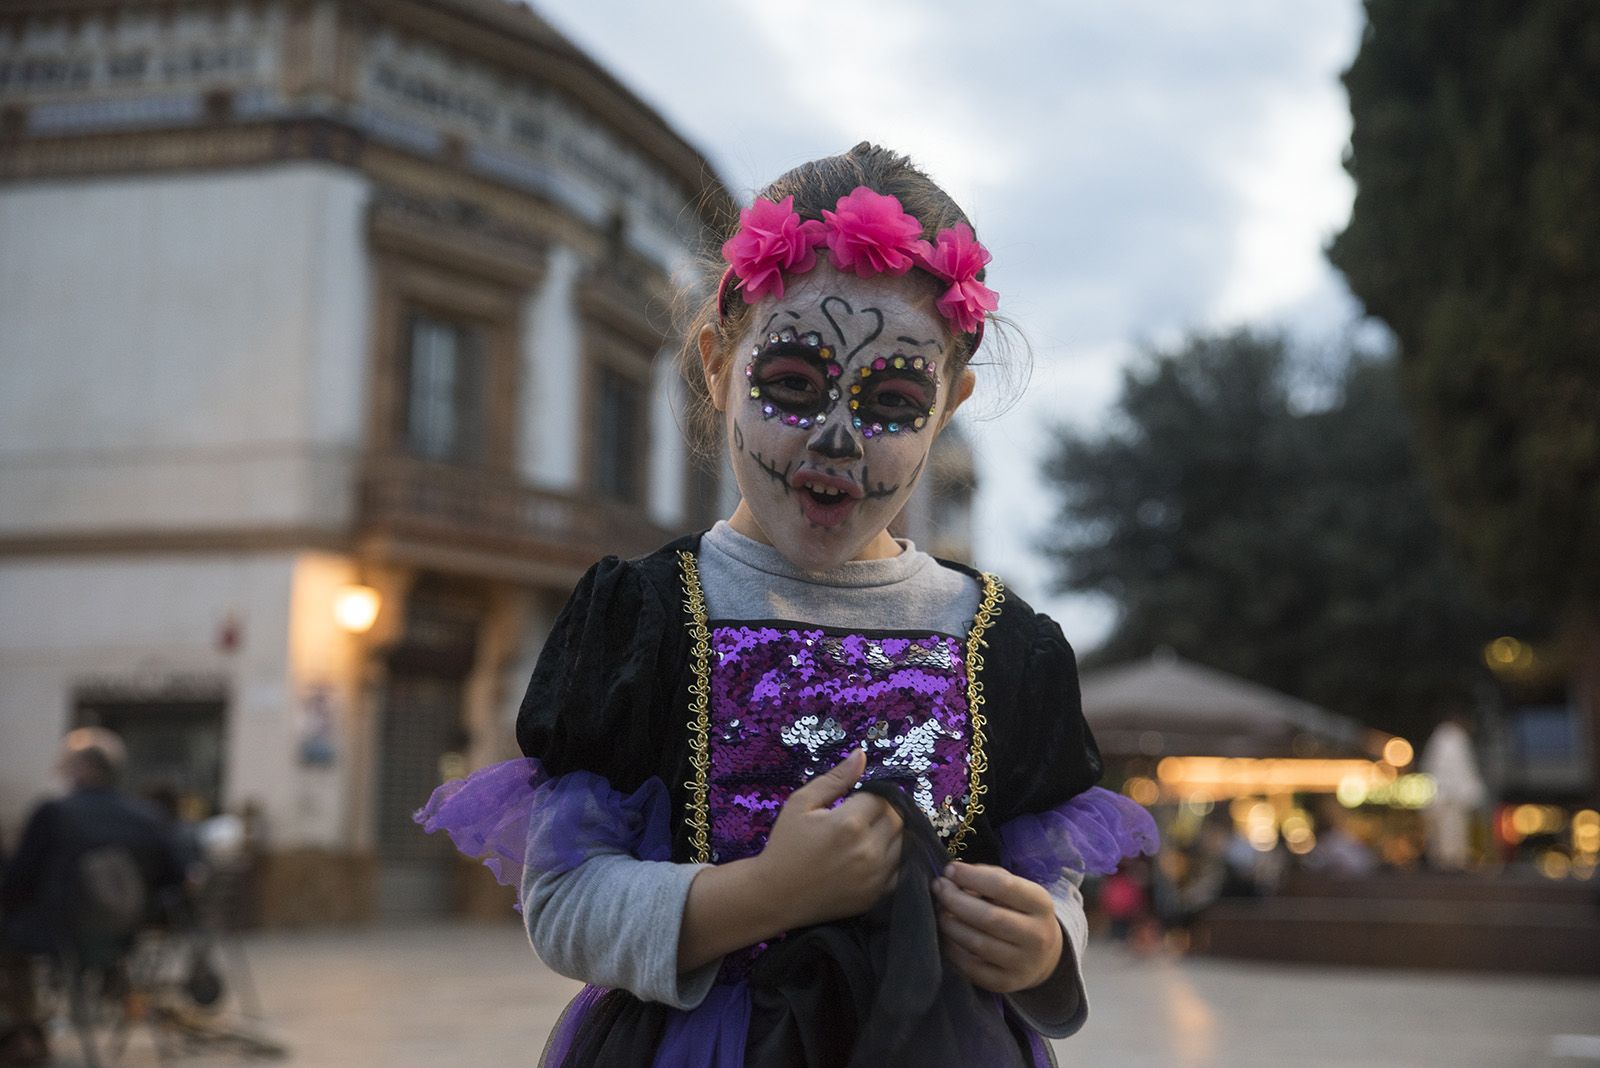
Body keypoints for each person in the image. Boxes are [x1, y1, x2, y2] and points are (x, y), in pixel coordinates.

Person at [417, 143, 1158, 1066]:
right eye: (794, 385)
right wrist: (764, 896)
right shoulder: (644, 619)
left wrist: (1044, 941)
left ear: (951, 402)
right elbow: (563, 904)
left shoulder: (1005, 645)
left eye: (891, 400)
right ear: (718, 362)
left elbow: (1053, 884)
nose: (838, 440)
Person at [0, 729, 187, 1065]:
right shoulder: (147, 818)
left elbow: (16, 880)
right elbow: (176, 881)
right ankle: (99, 990)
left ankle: (25, 1030)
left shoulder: (54, 814)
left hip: (61, 935)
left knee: (9, 937)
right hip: (129, 939)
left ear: (80, 770)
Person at [1420, 707, 1486, 871]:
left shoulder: (1442, 737)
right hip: (1449, 798)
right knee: (1450, 833)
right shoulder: (1453, 738)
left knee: (1447, 835)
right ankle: (1450, 864)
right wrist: (1471, 794)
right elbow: (1462, 770)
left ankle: (1448, 863)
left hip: (1442, 797)